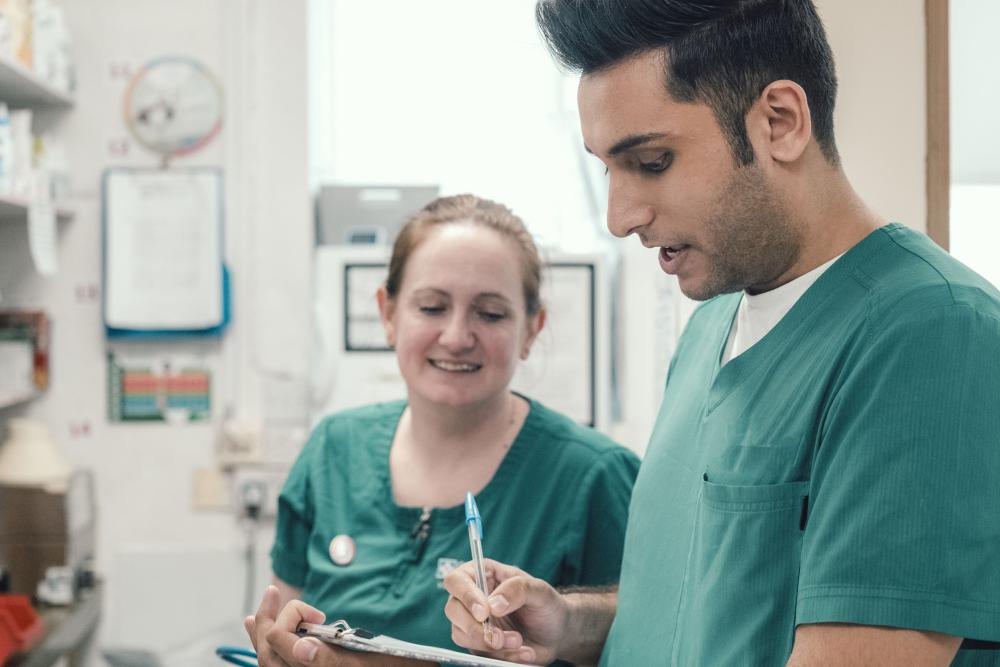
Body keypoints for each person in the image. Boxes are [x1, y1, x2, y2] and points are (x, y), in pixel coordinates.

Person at [444, 1, 1000, 666]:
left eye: (650, 161)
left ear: (780, 122)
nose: (621, 216)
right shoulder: (711, 325)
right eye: (606, 170)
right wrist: (570, 622)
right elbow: (704, 604)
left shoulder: (929, 334)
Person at [244, 194, 640, 666]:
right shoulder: (333, 448)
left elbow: (645, 640)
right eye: (432, 307)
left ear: (532, 329)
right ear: (388, 314)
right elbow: (285, 614)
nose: (456, 336)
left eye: (490, 313)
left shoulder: (594, 476)